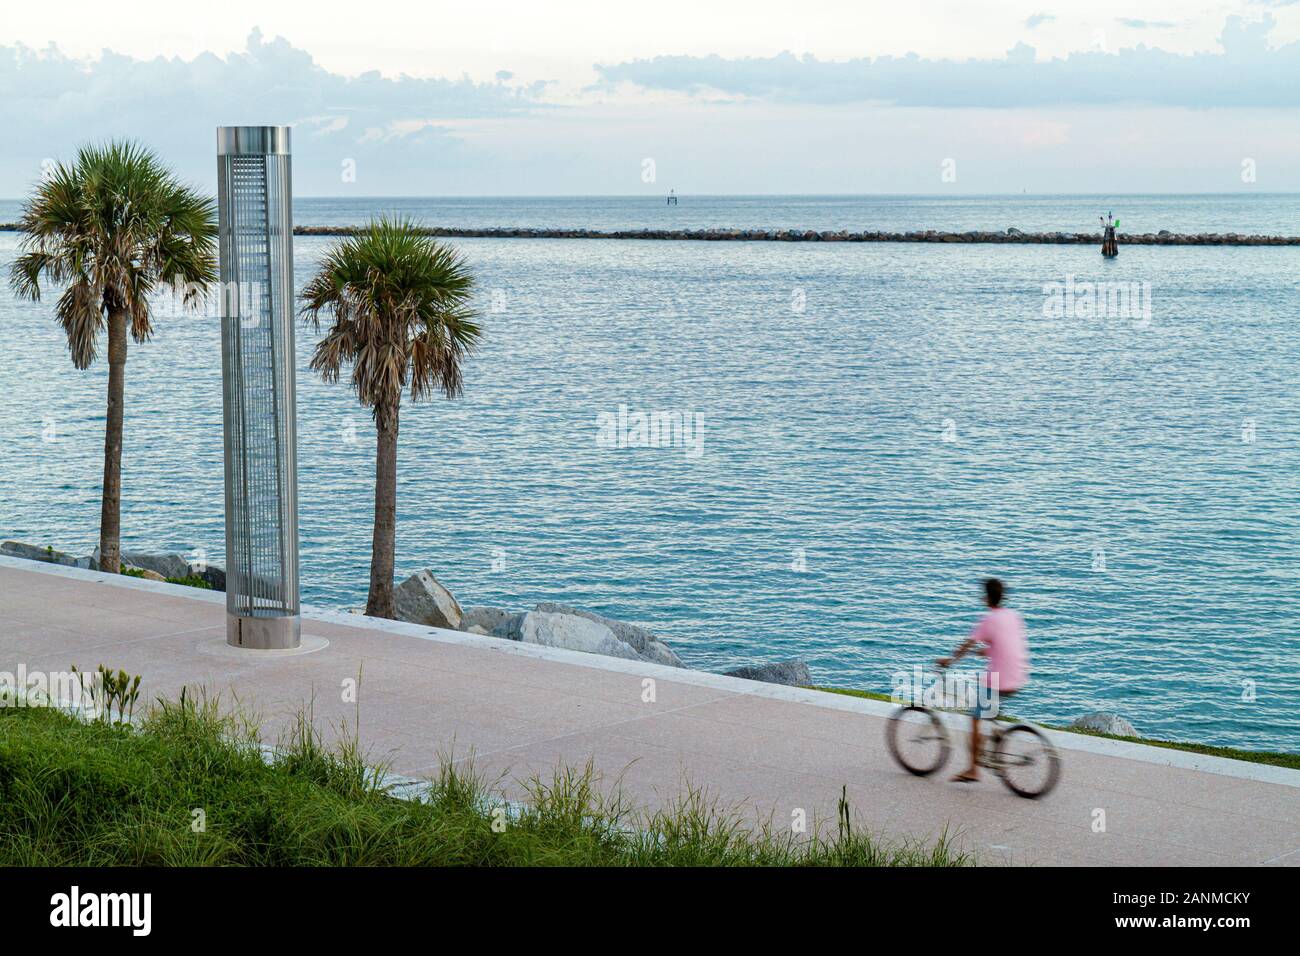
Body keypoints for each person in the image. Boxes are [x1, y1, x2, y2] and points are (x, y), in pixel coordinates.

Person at [937, 578, 1028, 783]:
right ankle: (997, 737)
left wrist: (949, 661)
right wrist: (988, 650)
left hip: (999, 680)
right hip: (1018, 675)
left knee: (976, 718)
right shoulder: (1012, 616)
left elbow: (966, 644)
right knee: (990, 712)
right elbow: (1008, 643)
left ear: (987, 597)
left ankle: (973, 770)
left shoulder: (988, 620)